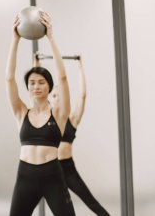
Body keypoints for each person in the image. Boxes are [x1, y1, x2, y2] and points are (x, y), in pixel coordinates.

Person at [5, 12, 75, 216]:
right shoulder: (20, 112)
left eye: (41, 82)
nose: (36, 86)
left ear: (49, 87)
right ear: (28, 87)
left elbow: (62, 77)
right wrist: (15, 39)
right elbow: (9, 78)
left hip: (52, 174)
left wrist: (50, 37)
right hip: (25, 175)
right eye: (32, 83)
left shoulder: (60, 113)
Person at [53, 57, 110, 216]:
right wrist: (36, 63)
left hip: (68, 168)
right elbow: (34, 93)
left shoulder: (73, 119)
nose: (57, 99)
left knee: (90, 200)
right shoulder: (47, 119)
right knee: (59, 207)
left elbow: (82, 95)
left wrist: (80, 67)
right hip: (51, 168)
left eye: (60, 96)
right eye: (54, 96)